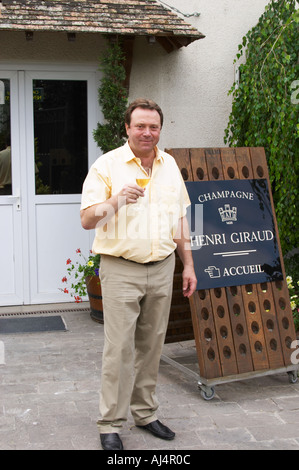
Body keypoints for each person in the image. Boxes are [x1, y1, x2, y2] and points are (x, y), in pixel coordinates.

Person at [80, 98, 197, 451]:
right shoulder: (107, 165)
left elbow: (181, 218)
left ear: (160, 129)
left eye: (154, 127)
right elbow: (87, 219)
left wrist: (188, 264)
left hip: (162, 267)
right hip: (121, 269)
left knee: (152, 346)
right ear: (127, 128)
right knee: (118, 349)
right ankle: (110, 423)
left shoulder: (170, 164)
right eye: (140, 126)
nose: (147, 132)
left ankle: (145, 413)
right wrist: (116, 200)